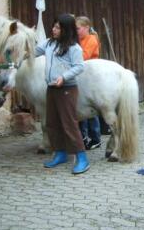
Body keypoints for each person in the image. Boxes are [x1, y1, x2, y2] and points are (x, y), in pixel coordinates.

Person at [35, 13, 89, 174]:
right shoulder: (49, 44)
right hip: (51, 89)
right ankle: (60, 153)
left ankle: (82, 158)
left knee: (69, 124)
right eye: (54, 26)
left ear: (66, 29)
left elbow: (79, 67)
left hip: (66, 89)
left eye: (58, 27)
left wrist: (63, 78)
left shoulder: (74, 47)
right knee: (52, 123)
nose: (54, 29)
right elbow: (34, 51)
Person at [76, 16, 102, 150]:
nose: (76, 31)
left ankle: (96, 138)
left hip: (90, 77)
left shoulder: (91, 39)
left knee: (91, 108)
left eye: (78, 29)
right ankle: (84, 136)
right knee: (81, 108)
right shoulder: (79, 40)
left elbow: (84, 56)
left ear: (86, 28)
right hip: (81, 77)